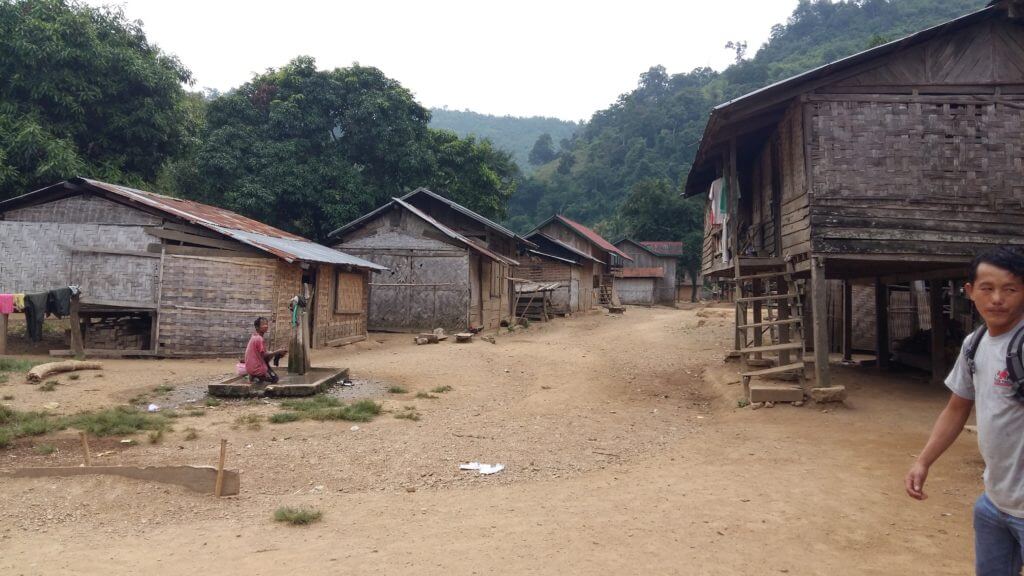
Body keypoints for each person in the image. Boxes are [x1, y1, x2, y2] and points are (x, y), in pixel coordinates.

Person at [906, 246, 1024, 574]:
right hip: (995, 503)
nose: (997, 298)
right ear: (970, 292)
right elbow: (957, 408)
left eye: (1010, 289)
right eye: (987, 288)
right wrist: (923, 461)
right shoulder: (975, 343)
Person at [244, 317, 287, 385]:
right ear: (257, 327)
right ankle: (257, 377)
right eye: (263, 324)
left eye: (266, 324)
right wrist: (278, 351)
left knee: (269, 357)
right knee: (275, 379)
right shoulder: (259, 339)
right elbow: (264, 356)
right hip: (257, 369)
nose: (266, 326)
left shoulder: (254, 336)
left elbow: (263, 355)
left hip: (250, 368)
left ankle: (253, 376)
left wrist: (275, 353)